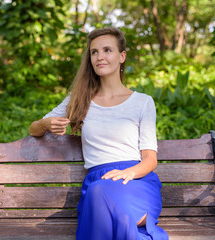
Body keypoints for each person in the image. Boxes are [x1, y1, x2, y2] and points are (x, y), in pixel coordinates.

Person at [28, 27, 169, 240]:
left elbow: (150, 160)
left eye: (107, 50)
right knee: (100, 193)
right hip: (98, 181)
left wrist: (128, 173)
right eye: (94, 52)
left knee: (102, 197)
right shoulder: (79, 100)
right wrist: (47, 123)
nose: (99, 57)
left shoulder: (143, 102)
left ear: (122, 56)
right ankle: (129, 225)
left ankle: (127, 219)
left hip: (136, 181)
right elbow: (33, 128)